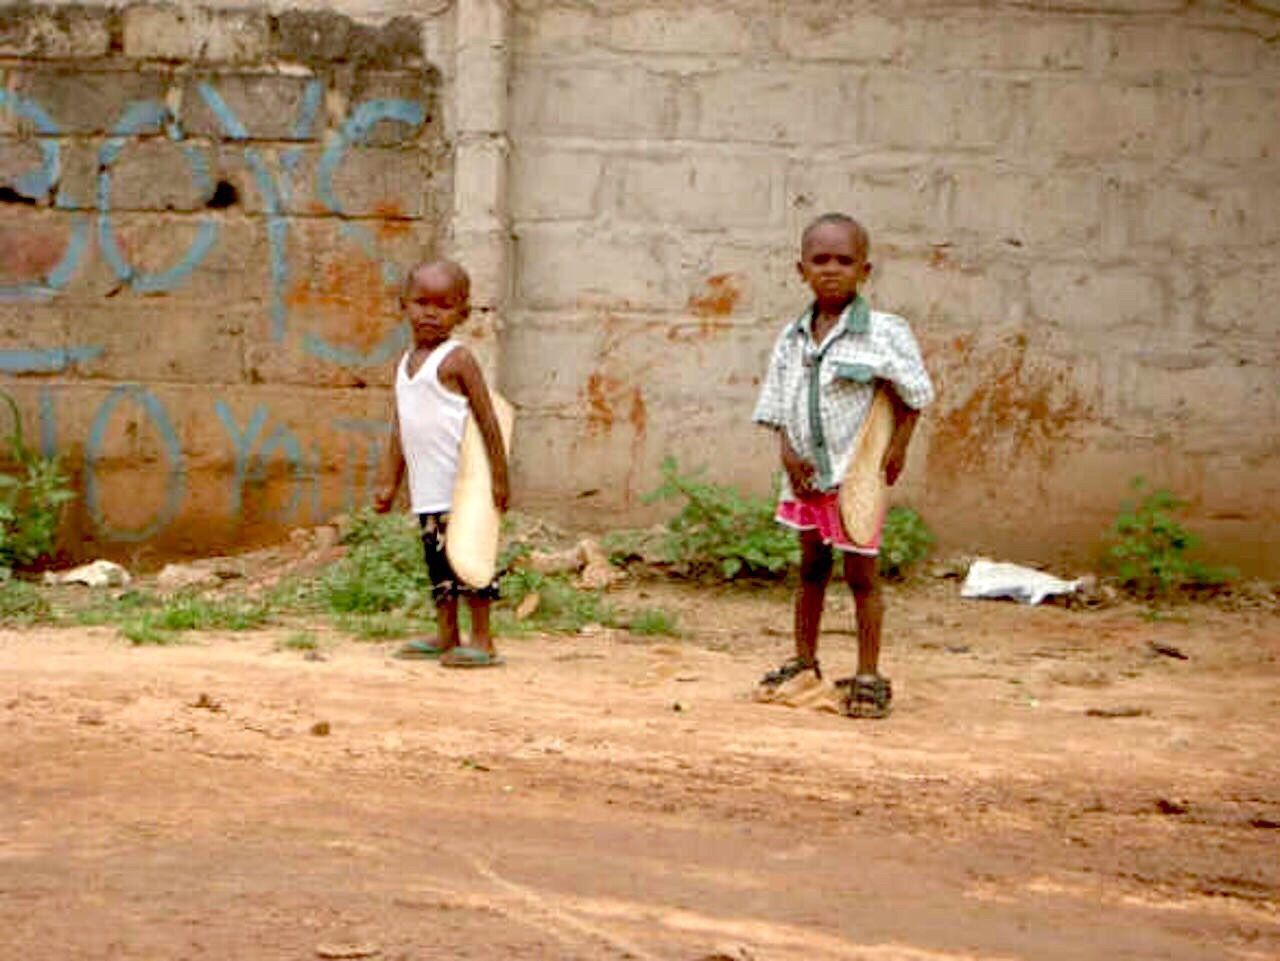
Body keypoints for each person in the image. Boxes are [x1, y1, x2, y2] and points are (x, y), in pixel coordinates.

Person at [752, 213, 935, 717]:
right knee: (811, 568)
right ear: (800, 269)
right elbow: (777, 402)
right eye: (820, 260)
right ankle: (804, 659)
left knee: (861, 575)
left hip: (856, 477)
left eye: (844, 260)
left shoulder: (883, 333)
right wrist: (787, 452)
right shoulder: (792, 339)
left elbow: (915, 394)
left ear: (865, 270)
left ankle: (869, 672)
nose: (831, 269)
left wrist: (898, 447)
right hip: (807, 477)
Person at [374, 260, 510, 668]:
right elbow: (402, 425)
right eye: (421, 302)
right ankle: (446, 634)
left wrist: (499, 479)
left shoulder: (458, 360)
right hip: (428, 490)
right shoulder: (404, 363)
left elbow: (489, 420)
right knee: (438, 566)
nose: (430, 313)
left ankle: (482, 640)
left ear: (463, 314)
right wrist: (389, 481)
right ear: (404, 305)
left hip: (462, 487)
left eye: (444, 305)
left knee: (468, 560)